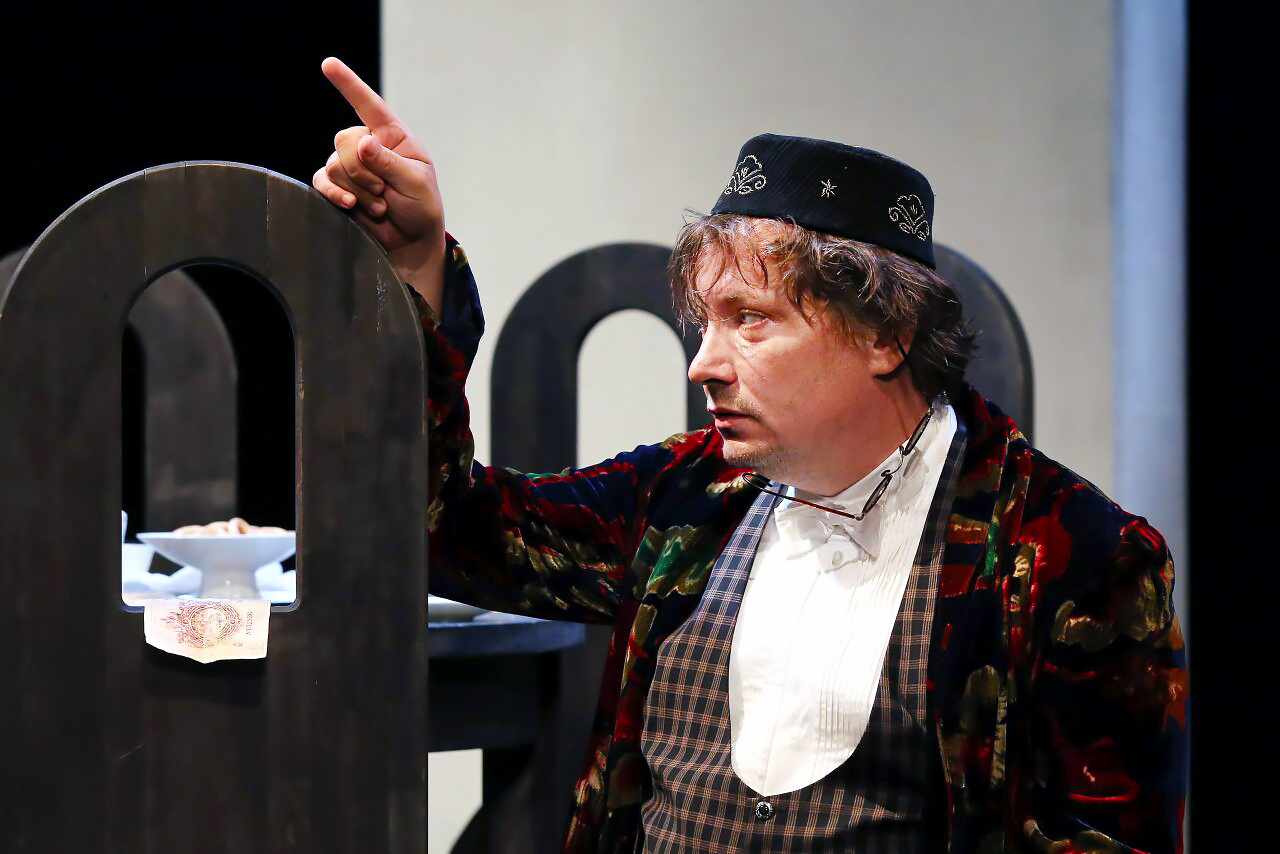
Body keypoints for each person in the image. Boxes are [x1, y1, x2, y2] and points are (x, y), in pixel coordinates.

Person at [312, 58, 1188, 853]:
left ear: (886, 335)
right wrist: (417, 265)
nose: (703, 363)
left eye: (750, 320)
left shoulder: (1072, 555)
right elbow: (449, 527)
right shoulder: (687, 494)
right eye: (706, 323)